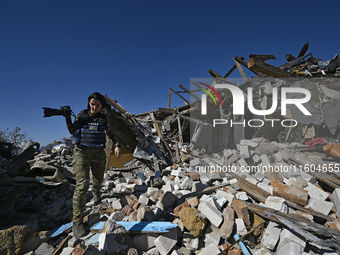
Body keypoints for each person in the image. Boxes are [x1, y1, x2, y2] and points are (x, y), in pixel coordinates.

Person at [64, 92, 121, 238]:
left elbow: (112, 133)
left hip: (98, 152)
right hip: (81, 151)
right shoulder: (82, 116)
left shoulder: (104, 118)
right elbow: (72, 130)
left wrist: (117, 145)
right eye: (92, 104)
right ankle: (77, 221)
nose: (94, 107)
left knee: (98, 179)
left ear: (101, 106)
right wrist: (67, 117)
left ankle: (96, 192)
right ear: (89, 103)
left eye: (97, 105)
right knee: (82, 184)